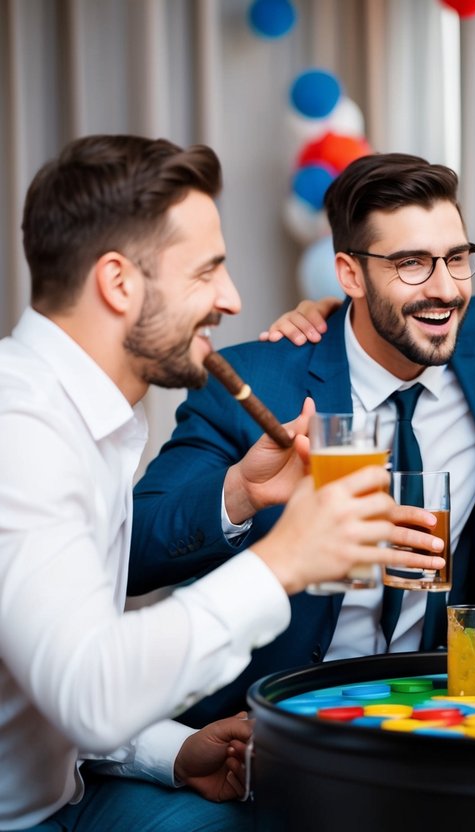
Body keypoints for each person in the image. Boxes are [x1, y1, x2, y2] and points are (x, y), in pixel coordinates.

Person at [0, 136, 433, 830]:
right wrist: (286, 556)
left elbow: (54, 675)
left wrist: (172, 750)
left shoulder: (86, 420)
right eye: (207, 272)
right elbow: (90, 692)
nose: (231, 299)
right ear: (118, 284)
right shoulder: (20, 426)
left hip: (63, 795)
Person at [129, 152, 475, 728]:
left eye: (457, 259)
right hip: (277, 716)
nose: (445, 290)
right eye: (411, 264)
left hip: (440, 710)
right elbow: (133, 554)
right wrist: (240, 492)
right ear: (350, 274)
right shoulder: (258, 385)